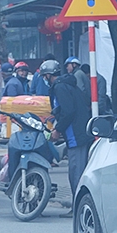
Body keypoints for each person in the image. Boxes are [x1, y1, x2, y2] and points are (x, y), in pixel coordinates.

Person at [40, 59, 92, 217]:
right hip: (77, 133)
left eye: (44, 76)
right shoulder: (67, 84)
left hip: (76, 135)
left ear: (49, 75)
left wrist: (58, 129)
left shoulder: (60, 87)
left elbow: (69, 112)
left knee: (76, 173)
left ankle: (79, 209)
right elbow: (65, 108)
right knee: (75, 171)